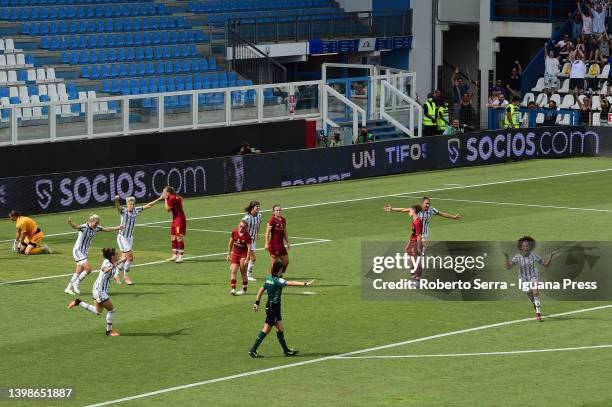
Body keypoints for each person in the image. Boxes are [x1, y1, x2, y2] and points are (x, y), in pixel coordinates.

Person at [248, 260, 315, 358]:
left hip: (271, 306)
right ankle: (253, 350)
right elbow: (291, 283)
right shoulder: (277, 280)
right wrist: (305, 284)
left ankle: (286, 351)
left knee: (280, 328)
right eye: (281, 269)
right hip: (273, 308)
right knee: (266, 329)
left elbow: (261, 290)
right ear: (278, 270)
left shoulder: (269, 278)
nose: (282, 271)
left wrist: (256, 302)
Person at [67, 248, 125, 336]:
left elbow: (115, 263)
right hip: (100, 291)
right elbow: (105, 269)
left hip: (97, 289)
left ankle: (78, 302)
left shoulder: (111, 261)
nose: (118, 255)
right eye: (116, 254)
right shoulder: (107, 263)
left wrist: (122, 260)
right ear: (112, 257)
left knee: (98, 311)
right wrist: (117, 263)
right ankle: (109, 331)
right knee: (112, 310)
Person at [64, 215, 123, 295]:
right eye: (95, 223)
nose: (96, 225)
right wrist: (71, 223)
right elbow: (76, 227)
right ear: (90, 221)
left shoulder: (97, 228)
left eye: (97, 223)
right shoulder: (84, 227)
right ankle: (76, 283)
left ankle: (68, 288)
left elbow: (107, 229)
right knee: (88, 269)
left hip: (84, 253)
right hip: (78, 251)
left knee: (79, 271)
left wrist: (118, 227)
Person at [113, 194, 164, 285]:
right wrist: (116, 200)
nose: (132, 206)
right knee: (130, 257)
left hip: (130, 238)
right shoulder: (123, 211)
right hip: (122, 237)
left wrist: (159, 198)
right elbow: (117, 206)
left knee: (124, 258)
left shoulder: (136, 210)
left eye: (133, 204)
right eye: (130, 204)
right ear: (127, 204)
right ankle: (126, 276)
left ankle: (116, 274)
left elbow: (149, 205)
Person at [504, 236, 557, 321]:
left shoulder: (534, 256)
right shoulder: (517, 257)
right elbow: (508, 267)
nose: (526, 247)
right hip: (523, 279)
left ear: (531, 247)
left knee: (535, 292)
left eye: (527, 246)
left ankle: (538, 314)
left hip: (533, 276)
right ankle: (535, 304)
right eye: (524, 246)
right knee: (531, 296)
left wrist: (551, 257)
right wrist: (506, 258)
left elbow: (546, 265)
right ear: (520, 247)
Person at [383, 204, 423, 281]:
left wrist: (418, 247)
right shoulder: (414, 220)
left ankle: (417, 279)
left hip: (415, 243)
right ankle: (414, 277)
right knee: (410, 261)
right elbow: (402, 209)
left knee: (415, 261)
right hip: (412, 242)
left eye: (410, 210)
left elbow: (419, 236)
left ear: (414, 211)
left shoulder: (417, 222)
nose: (408, 212)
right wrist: (392, 209)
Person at [227, 220, 253, 296]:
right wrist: (228, 254)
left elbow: (249, 249)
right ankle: (233, 289)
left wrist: (247, 259)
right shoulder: (234, 232)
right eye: (240, 226)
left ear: (246, 228)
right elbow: (230, 243)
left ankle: (244, 290)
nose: (241, 228)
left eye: (243, 227)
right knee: (233, 271)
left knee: (243, 273)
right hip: (235, 254)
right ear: (238, 225)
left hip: (243, 255)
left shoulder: (247, 236)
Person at [264, 205, 290, 275]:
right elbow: (267, 233)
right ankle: (271, 278)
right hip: (274, 245)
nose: (278, 211)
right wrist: (266, 244)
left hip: (281, 245)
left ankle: (280, 274)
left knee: (286, 262)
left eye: (279, 210)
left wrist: (288, 243)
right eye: (277, 210)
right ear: (274, 211)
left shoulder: (283, 220)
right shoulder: (272, 220)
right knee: (274, 264)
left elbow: (285, 232)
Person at [164, 185, 186, 263]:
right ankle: (174, 256)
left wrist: (165, 200)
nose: (163, 193)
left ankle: (181, 257)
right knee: (173, 237)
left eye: (164, 192)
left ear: (168, 192)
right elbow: (182, 199)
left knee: (179, 237)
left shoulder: (171, 198)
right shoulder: (174, 196)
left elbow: (167, 210)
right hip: (175, 219)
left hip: (179, 220)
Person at [242, 200, 263, 281]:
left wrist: (257, 234)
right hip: (247, 241)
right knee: (253, 258)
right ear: (252, 207)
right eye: (256, 206)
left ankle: (236, 266)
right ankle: (248, 275)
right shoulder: (247, 218)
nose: (258, 208)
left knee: (245, 257)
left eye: (259, 206)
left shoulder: (259, 215)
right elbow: (241, 227)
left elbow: (259, 225)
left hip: (253, 240)